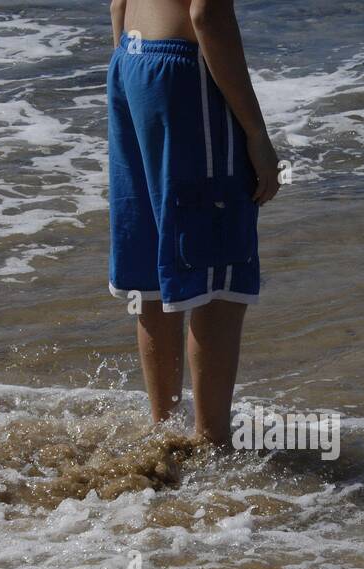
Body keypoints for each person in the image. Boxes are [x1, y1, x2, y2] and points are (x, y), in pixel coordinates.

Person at [107, 0, 280, 446]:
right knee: (218, 272)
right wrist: (257, 134)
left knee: (154, 263)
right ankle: (212, 445)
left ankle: (163, 429)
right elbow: (206, 13)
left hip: (132, 55)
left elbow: (117, 3)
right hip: (183, 71)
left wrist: (133, 76)